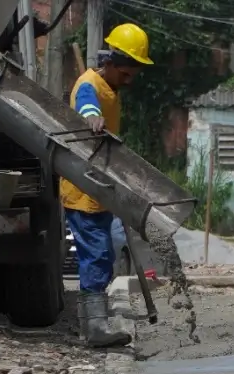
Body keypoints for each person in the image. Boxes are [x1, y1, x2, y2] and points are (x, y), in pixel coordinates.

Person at [61, 23, 154, 347]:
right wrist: (91, 117)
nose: (130, 80)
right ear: (112, 63)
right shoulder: (91, 84)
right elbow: (86, 105)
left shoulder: (111, 89)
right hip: (84, 188)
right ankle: (96, 327)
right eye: (127, 73)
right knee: (97, 254)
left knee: (101, 254)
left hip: (99, 186)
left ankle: (94, 326)